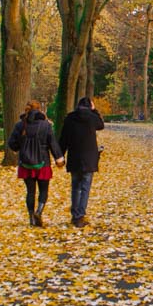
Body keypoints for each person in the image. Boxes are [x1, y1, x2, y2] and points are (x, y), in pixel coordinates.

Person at [8, 100, 64, 228]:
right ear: (40, 110)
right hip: (43, 163)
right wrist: (59, 158)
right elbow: (53, 143)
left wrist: (20, 148)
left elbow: (12, 143)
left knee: (30, 191)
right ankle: (39, 211)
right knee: (43, 190)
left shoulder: (20, 125)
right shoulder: (46, 125)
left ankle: (31, 218)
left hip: (25, 164)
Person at [59, 97, 104, 228]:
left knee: (75, 187)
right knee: (85, 188)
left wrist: (60, 156)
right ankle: (80, 215)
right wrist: (95, 111)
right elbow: (101, 125)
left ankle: (75, 214)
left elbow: (63, 139)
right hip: (89, 158)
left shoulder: (70, 118)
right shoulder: (92, 117)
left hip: (74, 158)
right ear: (90, 106)